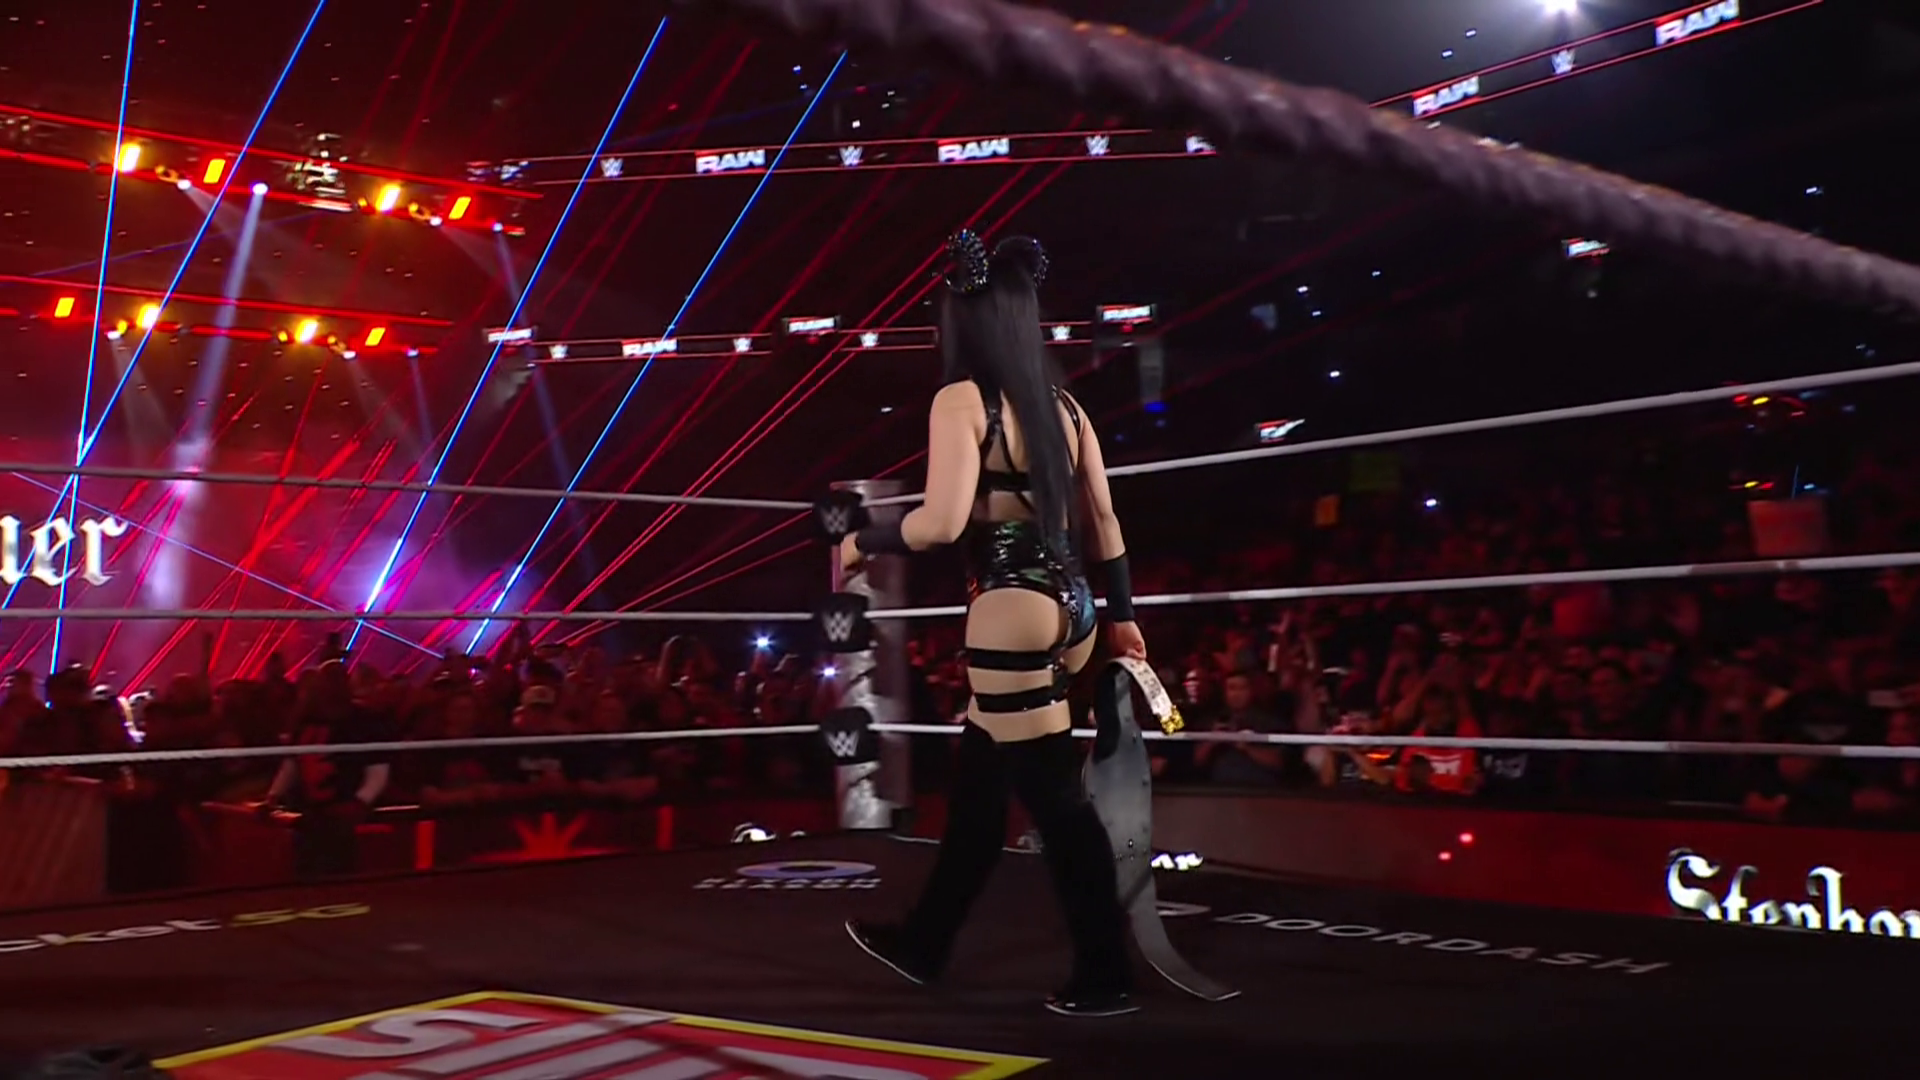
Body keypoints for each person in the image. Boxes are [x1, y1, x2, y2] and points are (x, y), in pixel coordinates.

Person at [838, 230, 1146, 1017]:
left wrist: (865, 537)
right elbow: (1104, 521)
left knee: (1055, 801)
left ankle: (1107, 969)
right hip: (1072, 606)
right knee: (980, 790)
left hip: (1012, 607)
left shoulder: (964, 401)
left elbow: (941, 524)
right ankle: (926, 941)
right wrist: (1120, 618)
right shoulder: (1066, 409)